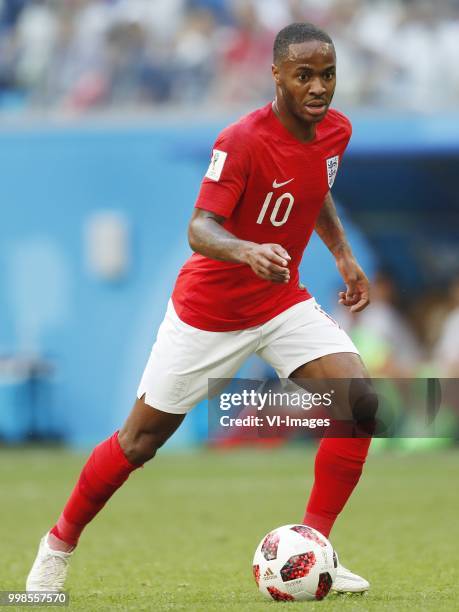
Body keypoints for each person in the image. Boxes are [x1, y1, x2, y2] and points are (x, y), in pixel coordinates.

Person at [27, 22, 375, 597]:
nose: (318, 87)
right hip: (207, 313)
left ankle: (315, 553)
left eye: (328, 74)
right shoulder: (239, 140)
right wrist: (245, 249)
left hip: (280, 300)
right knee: (138, 443)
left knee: (359, 403)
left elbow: (317, 187)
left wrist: (342, 255)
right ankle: (57, 546)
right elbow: (199, 227)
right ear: (277, 76)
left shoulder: (336, 131)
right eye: (304, 75)